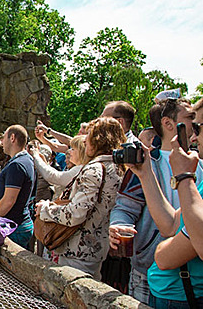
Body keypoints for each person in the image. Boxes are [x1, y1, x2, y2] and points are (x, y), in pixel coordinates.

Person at [110, 98, 203, 304]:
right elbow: (127, 208)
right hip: (151, 273)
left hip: (191, 285)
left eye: (198, 123)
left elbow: (170, 240)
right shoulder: (145, 162)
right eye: (191, 120)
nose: (195, 130)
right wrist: (119, 225)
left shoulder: (197, 166)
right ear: (168, 124)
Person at [35, 117, 125, 279]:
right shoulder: (117, 168)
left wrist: (45, 209)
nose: (85, 143)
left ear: (98, 141)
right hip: (96, 249)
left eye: (88, 138)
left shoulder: (94, 170)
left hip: (77, 251)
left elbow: (75, 214)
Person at [150, 119, 203, 308]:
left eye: (198, 128)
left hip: (185, 296)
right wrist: (144, 172)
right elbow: (171, 224)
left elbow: (165, 259)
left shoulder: (189, 174)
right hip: (169, 292)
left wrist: (184, 176)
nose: (194, 137)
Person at [0, 124, 35, 250]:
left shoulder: (17, 165)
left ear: (12, 138)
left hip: (14, 227)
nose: (2, 142)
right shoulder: (27, 159)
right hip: (19, 223)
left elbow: (9, 201)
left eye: (4, 138)